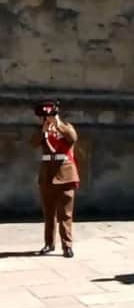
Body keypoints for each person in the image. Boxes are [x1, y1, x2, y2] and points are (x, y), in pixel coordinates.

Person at [30, 100, 79, 258]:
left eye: (49, 115)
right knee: (49, 214)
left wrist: (58, 124)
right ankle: (49, 244)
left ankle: (67, 246)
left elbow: (72, 138)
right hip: (47, 176)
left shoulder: (66, 127)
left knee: (66, 214)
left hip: (65, 175)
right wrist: (43, 131)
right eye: (44, 117)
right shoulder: (42, 130)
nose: (47, 118)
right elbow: (32, 143)